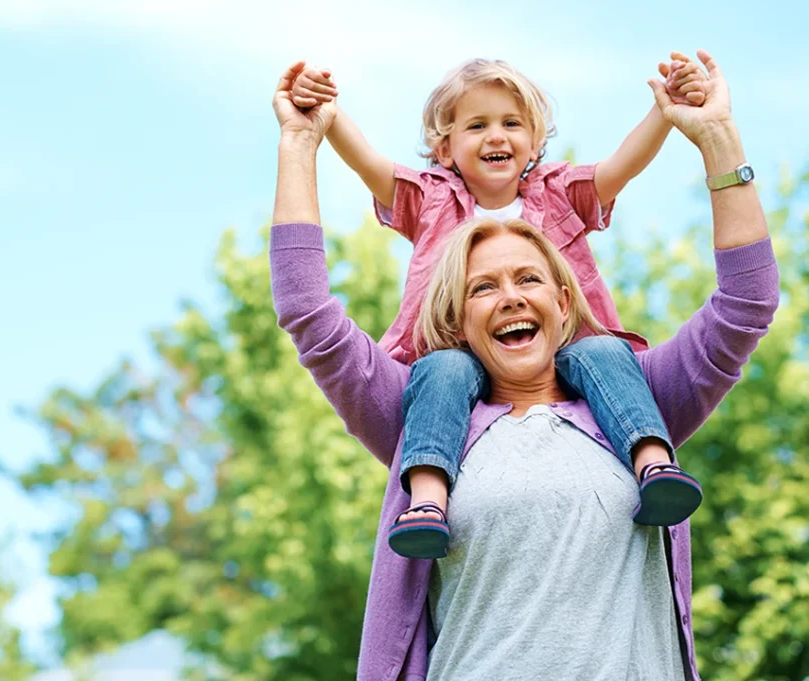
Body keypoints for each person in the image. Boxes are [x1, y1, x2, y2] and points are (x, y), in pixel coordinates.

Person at [270, 50, 778, 680]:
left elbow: (747, 302)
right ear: (454, 319)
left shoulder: (636, 395)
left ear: (565, 300)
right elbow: (307, 310)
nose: (510, 297)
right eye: (483, 287)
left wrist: (717, 135)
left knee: (607, 356)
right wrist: (301, 142)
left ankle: (654, 465)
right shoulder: (421, 415)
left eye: (529, 278)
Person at [289, 56, 709, 558]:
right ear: (445, 149)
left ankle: (655, 465)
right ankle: (426, 504)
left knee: (605, 351)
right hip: (457, 352)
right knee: (443, 370)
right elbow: (369, 165)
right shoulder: (431, 200)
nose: (496, 136)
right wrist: (329, 114)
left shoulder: (558, 194)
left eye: (511, 123)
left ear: (534, 141)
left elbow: (622, 166)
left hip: (558, 352)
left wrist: (664, 111)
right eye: (477, 125)